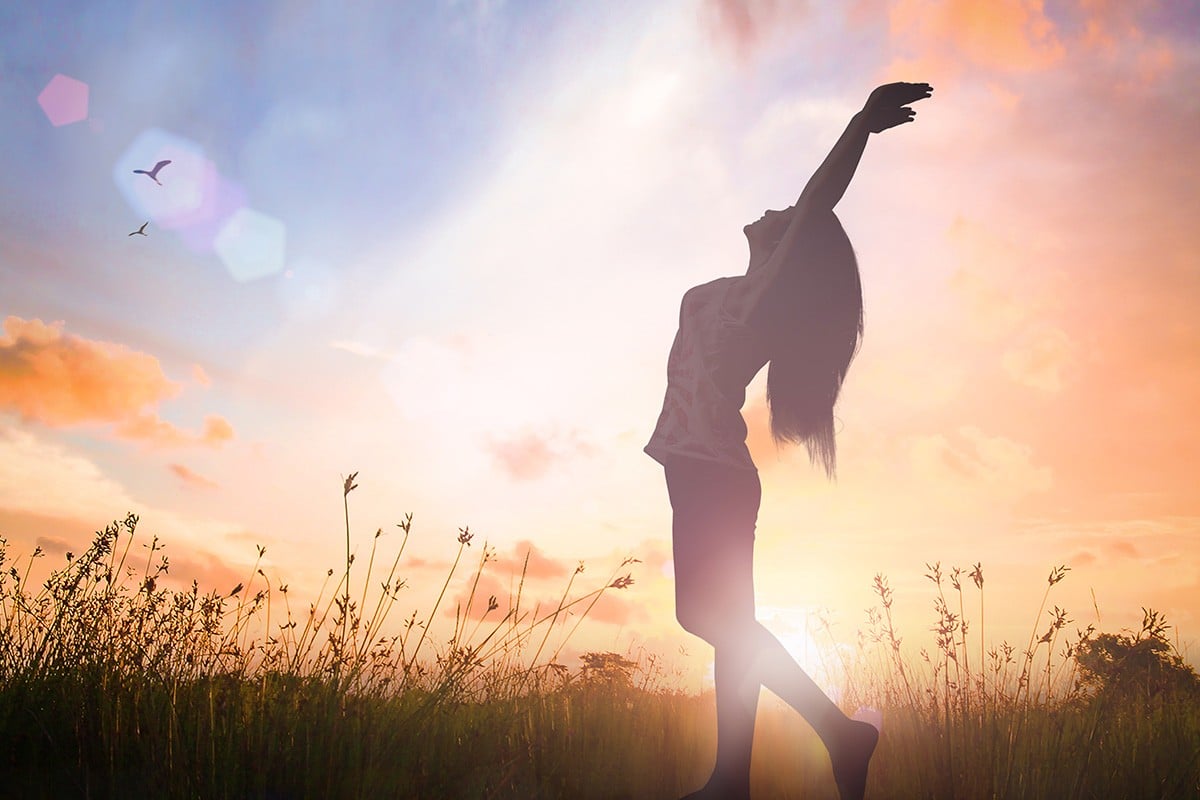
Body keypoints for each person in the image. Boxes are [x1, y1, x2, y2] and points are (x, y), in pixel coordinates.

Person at [644, 82, 933, 800]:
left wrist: (860, 126)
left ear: (787, 249)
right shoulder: (735, 292)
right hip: (699, 469)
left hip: (713, 469)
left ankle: (839, 734)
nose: (773, 210)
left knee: (705, 618)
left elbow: (815, 203)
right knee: (729, 624)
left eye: (784, 216)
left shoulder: (761, 298)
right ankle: (731, 780)